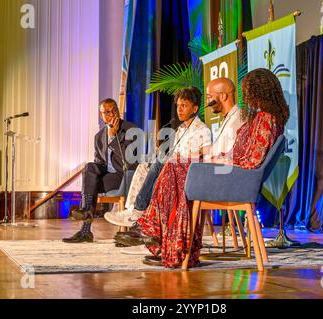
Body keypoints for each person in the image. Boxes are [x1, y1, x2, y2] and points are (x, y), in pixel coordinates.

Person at [115, 68, 289, 268]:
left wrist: (219, 160)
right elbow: (243, 155)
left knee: (173, 168)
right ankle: (164, 240)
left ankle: (159, 235)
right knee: (174, 166)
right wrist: (217, 158)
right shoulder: (265, 117)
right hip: (234, 174)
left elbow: (250, 160)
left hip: (237, 180)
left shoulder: (265, 119)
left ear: (258, 91)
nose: (246, 97)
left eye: (248, 91)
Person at [105, 78, 243, 228]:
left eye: (184, 106)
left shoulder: (205, 129)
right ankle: (134, 213)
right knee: (146, 166)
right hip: (183, 169)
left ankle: (139, 214)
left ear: (195, 108)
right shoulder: (181, 129)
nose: (179, 110)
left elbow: (211, 156)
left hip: (196, 174)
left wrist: (187, 157)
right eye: (178, 106)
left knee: (162, 164)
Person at [62, 99, 139, 243]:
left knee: (92, 185)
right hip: (107, 175)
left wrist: (113, 136)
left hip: (123, 175)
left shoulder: (132, 130)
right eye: (107, 112)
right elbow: (99, 163)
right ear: (101, 115)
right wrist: (108, 136)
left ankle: (85, 228)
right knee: (90, 168)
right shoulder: (98, 137)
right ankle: (86, 212)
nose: (112, 115)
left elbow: (128, 162)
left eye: (114, 110)